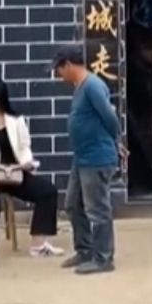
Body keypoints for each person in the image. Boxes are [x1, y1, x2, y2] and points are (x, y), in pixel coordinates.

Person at [0, 76, 64, 274]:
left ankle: (38, 244)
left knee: (47, 191)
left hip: (12, 174)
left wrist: (26, 163)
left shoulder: (15, 120)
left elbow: (24, 147)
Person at [52, 47, 121, 275]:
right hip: (82, 157)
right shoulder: (80, 87)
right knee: (73, 204)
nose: (58, 75)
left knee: (97, 209)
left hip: (96, 157)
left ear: (68, 65)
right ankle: (85, 249)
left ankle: (103, 258)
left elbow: (110, 117)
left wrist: (115, 141)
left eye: (59, 69)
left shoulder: (92, 86)